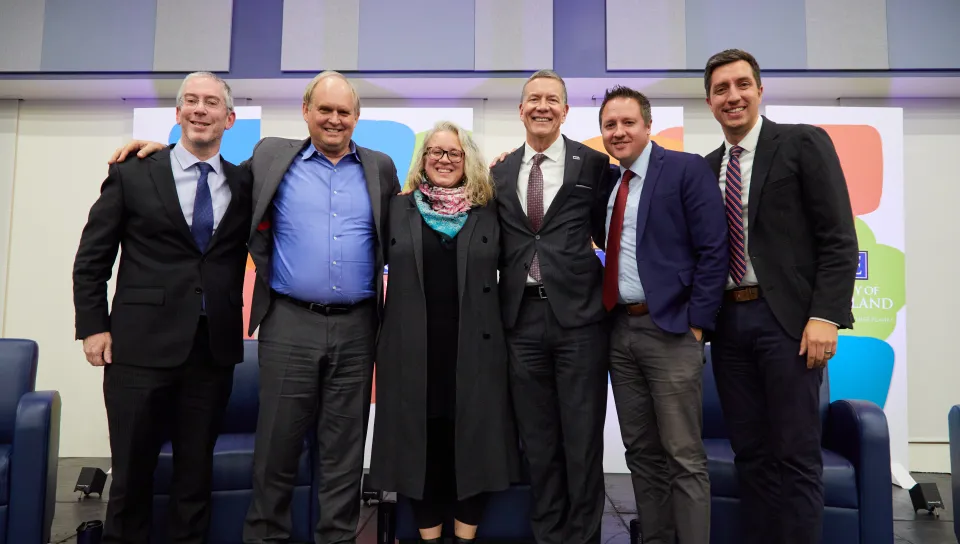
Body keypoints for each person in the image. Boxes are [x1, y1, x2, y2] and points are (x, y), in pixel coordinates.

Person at [110, 70, 401, 544]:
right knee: (276, 451)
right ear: (305, 112)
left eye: (342, 112)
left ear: (357, 117)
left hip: (358, 326)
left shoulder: (381, 168)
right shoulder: (270, 157)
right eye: (323, 110)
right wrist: (162, 154)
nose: (333, 119)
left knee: (344, 454)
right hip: (288, 321)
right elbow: (209, 171)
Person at [74, 72, 251, 543]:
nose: (199, 109)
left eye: (211, 102)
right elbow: (92, 258)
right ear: (176, 115)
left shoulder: (244, 183)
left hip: (210, 354)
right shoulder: (132, 172)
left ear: (229, 118)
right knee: (131, 478)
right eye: (190, 101)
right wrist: (93, 326)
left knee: (194, 481)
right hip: (137, 348)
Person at [702, 49, 859, 544]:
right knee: (751, 453)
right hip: (728, 328)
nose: (733, 96)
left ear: (760, 90)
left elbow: (838, 236)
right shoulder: (707, 169)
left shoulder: (800, 143)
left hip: (787, 324)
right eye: (722, 89)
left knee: (794, 454)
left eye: (742, 84)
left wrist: (826, 316)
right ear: (709, 101)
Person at [367, 121, 520, 544]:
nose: (444, 159)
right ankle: (430, 539)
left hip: (477, 351)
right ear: (423, 159)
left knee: (472, 447)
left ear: (467, 159)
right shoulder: (397, 209)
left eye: (454, 152)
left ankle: (465, 538)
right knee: (423, 450)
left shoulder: (489, 210)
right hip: (411, 352)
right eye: (435, 151)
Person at [592, 86, 728, 544]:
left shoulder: (685, 169)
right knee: (642, 455)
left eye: (628, 122)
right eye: (610, 125)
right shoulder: (610, 183)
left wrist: (697, 324)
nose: (619, 131)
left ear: (648, 126)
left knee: (683, 456)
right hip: (619, 331)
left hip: (671, 332)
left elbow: (714, 250)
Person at [489, 69, 610, 544]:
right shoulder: (498, 171)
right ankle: (547, 535)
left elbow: (615, 232)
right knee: (537, 443)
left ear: (565, 110)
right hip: (520, 321)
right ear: (520, 110)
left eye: (552, 99)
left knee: (581, 442)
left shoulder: (594, 166)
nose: (542, 106)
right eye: (533, 99)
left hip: (580, 321)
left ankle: (583, 538)